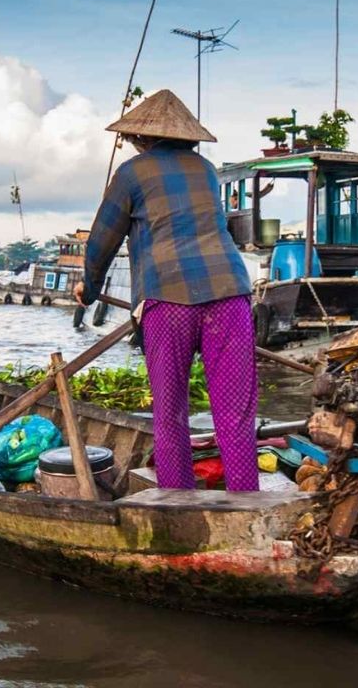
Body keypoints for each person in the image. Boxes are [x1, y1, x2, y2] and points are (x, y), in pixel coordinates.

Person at [73, 89, 259, 492]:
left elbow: (103, 239)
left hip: (168, 300)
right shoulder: (207, 170)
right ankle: (246, 499)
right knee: (235, 412)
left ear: (141, 138)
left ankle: (178, 499)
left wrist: (88, 290)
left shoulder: (131, 173)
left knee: (170, 411)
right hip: (230, 294)